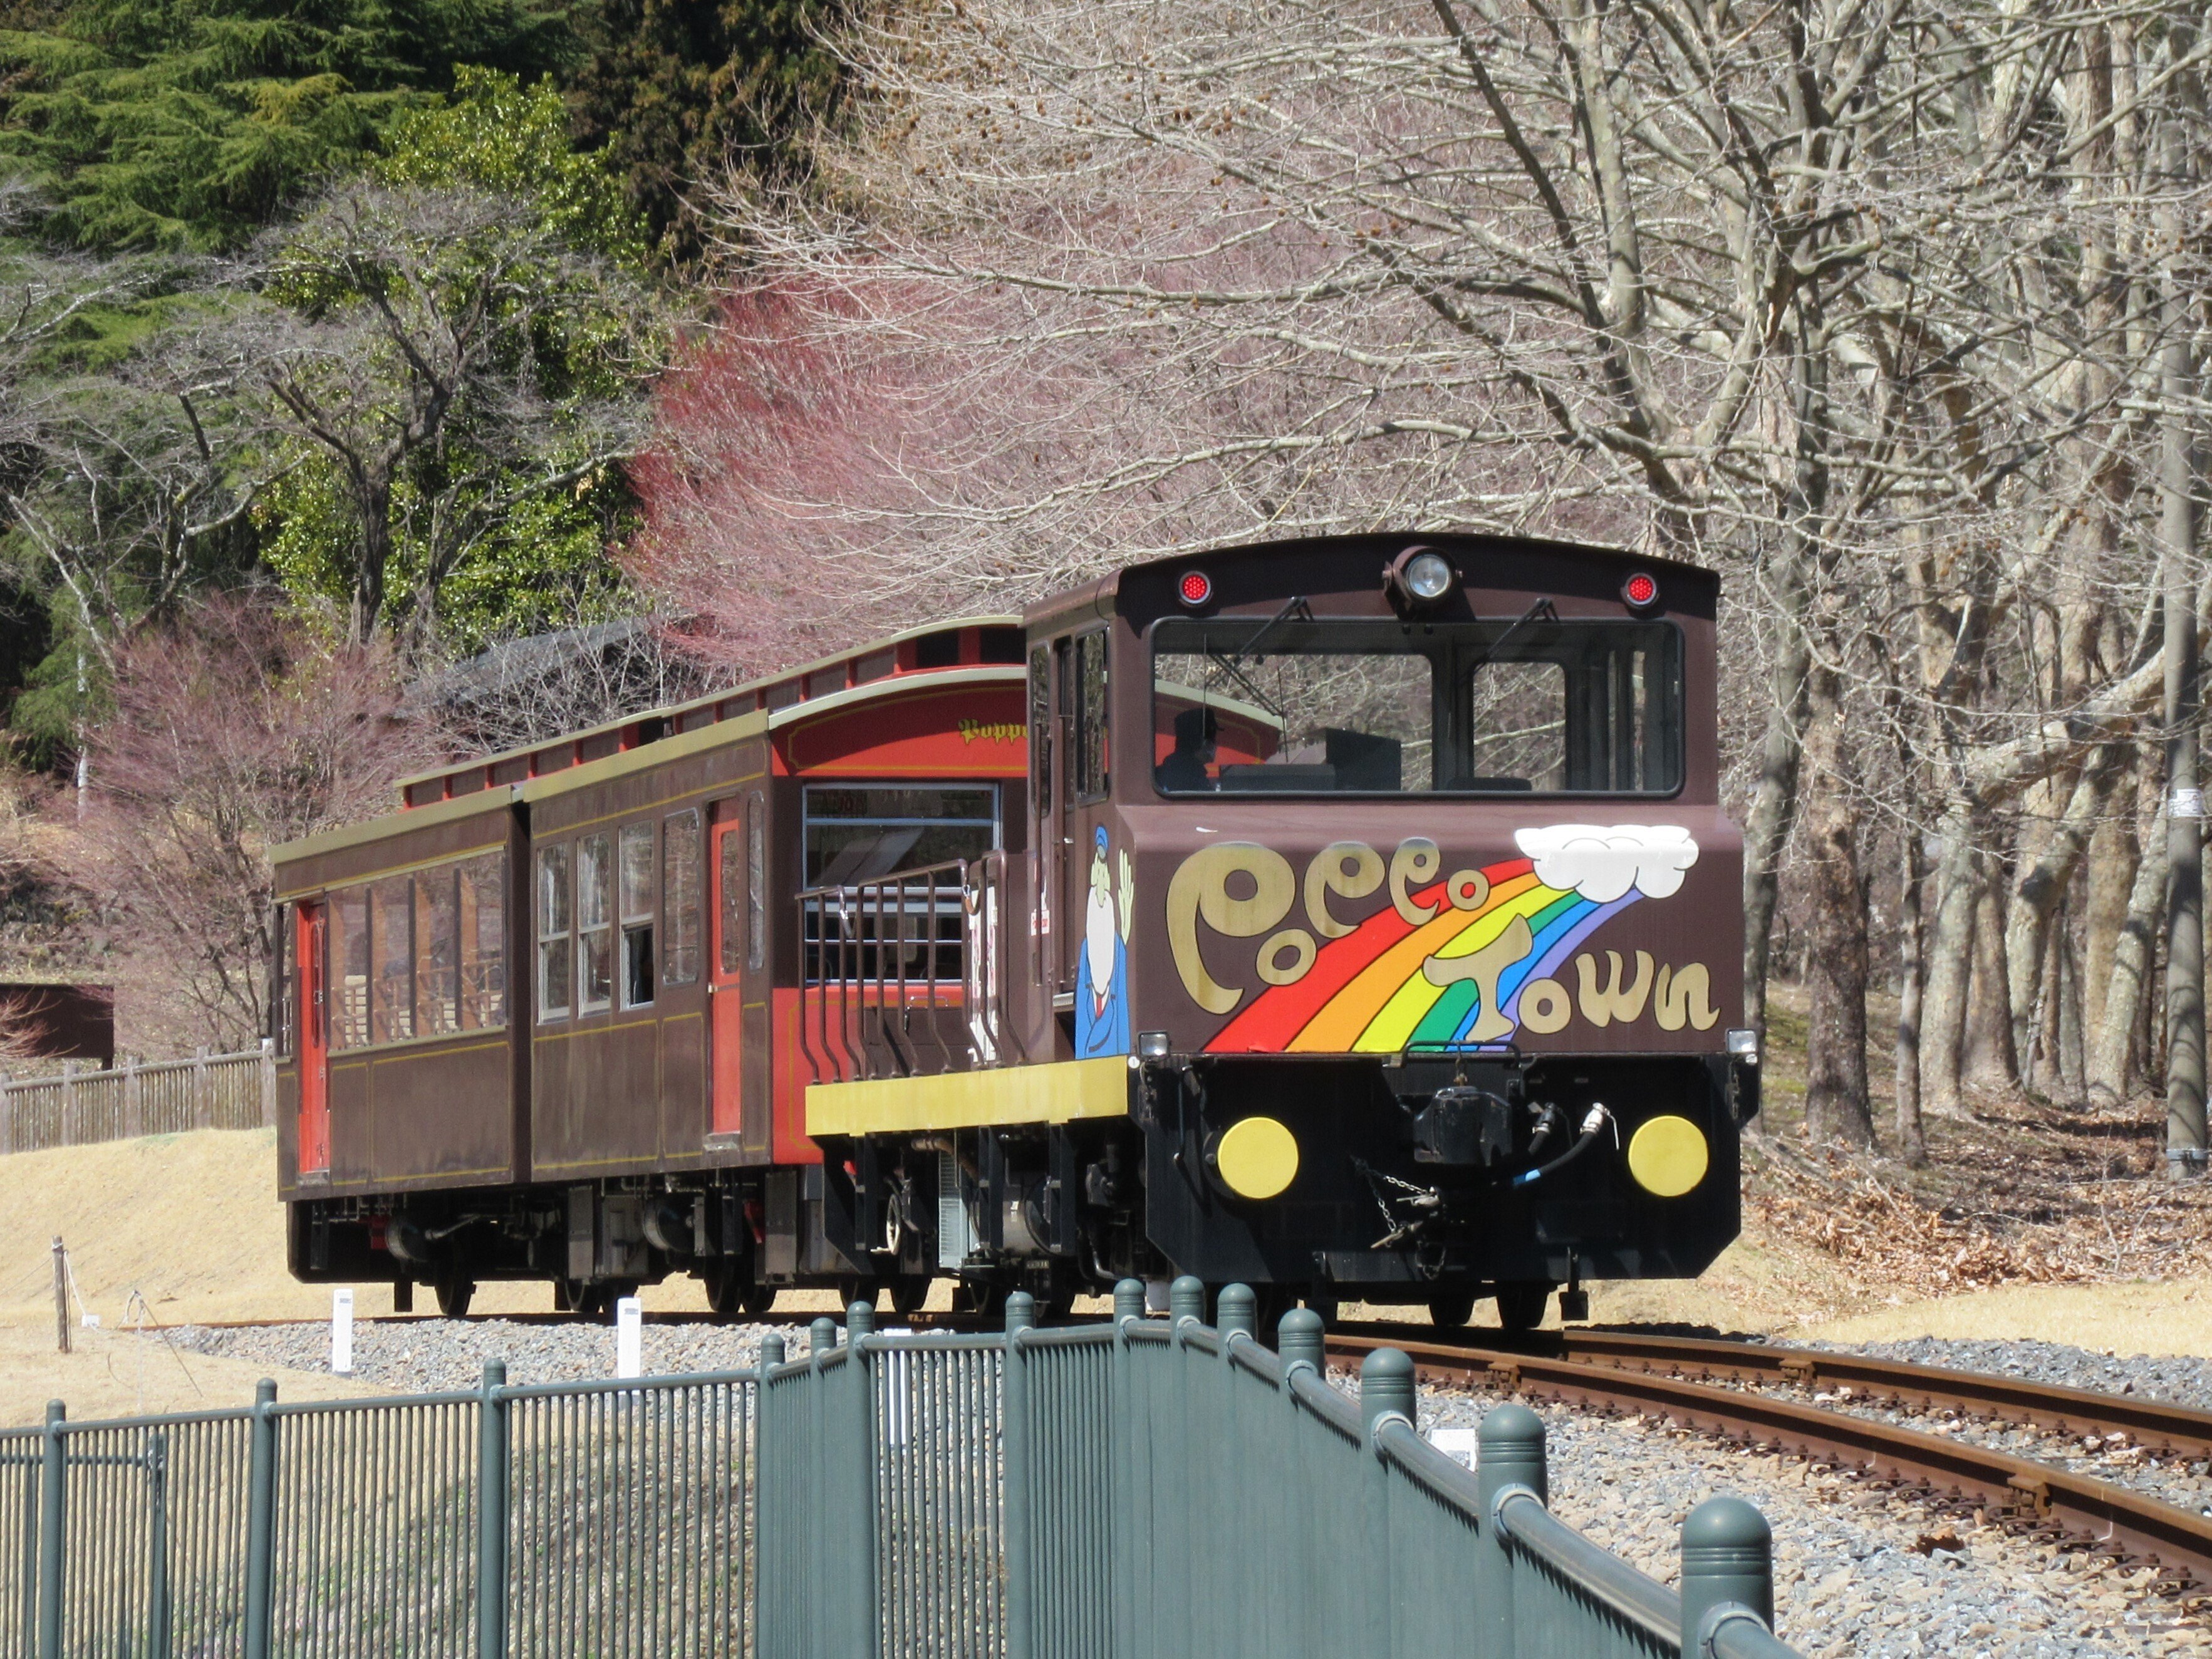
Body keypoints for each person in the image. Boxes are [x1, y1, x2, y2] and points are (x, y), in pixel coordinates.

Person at [1156, 705, 1218, 791]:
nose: (1215, 746)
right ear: (1205, 744)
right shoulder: (1195, 779)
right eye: (1213, 740)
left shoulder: (1163, 772)